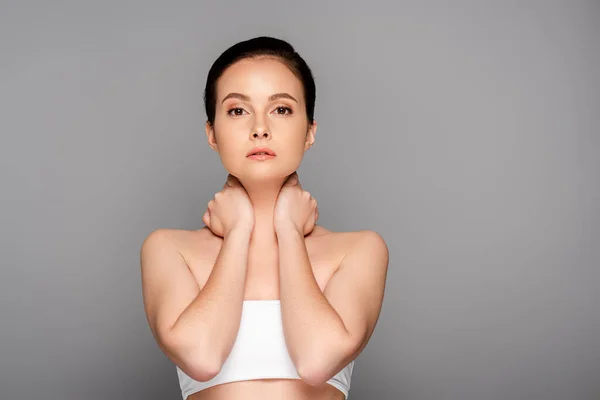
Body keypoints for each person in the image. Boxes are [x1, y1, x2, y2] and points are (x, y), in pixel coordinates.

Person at [140, 36, 389, 400]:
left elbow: (316, 362)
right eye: (238, 110)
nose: (260, 128)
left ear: (310, 131)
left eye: (281, 109)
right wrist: (239, 230)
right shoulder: (168, 249)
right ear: (211, 133)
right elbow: (202, 357)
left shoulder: (359, 250)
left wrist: (288, 230)